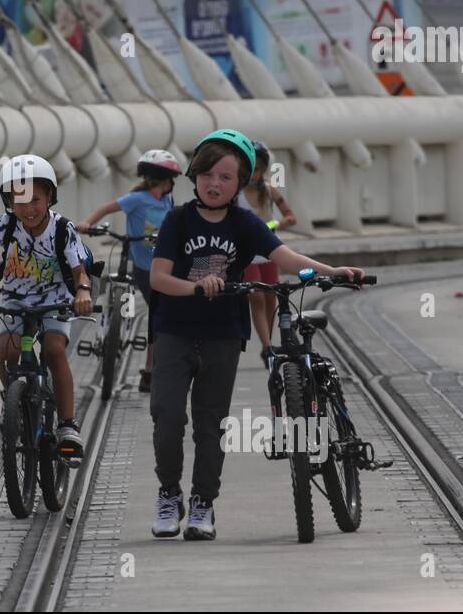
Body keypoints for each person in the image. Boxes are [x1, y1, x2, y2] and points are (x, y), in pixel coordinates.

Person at [147, 129, 365, 540]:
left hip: (223, 336)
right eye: (208, 174)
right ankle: (168, 493)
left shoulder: (244, 222)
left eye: (226, 178)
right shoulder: (177, 219)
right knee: (167, 417)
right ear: (194, 175)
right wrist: (196, 287)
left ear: (241, 183)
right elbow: (159, 278)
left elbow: (285, 257)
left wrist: (332, 271)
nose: (215, 184)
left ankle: (202, 504)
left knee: (210, 424)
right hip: (174, 332)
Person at [0, 154, 93, 466]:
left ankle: (67, 425)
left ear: (49, 198)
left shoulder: (62, 229)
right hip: (16, 302)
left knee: (55, 350)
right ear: (9, 202)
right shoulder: (6, 226)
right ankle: (15, 404)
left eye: (36, 200)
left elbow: (79, 271)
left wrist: (83, 292)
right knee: (7, 352)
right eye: (19, 202)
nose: (28, 209)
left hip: (55, 301)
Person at [78, 149, 182, 393]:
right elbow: (105, 208)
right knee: (156, 312)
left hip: (164, 265)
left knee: (159, 316)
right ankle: (133, 352)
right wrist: (87, 223)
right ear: (164, 181)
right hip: (144, 267)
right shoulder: (137, 199)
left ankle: (150, 369)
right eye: (171, 180)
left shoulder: (167, 202)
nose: (172, 185)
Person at [236, 140, 298, 367]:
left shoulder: (270, 191)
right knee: (256, 296)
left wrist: (274, 225)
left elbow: (291, 217)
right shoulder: (236, 193)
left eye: (257, 169)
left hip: (269, 250)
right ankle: (266, 344)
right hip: (246, 253)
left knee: (272, 296)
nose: (253, 173)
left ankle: (267, 343)